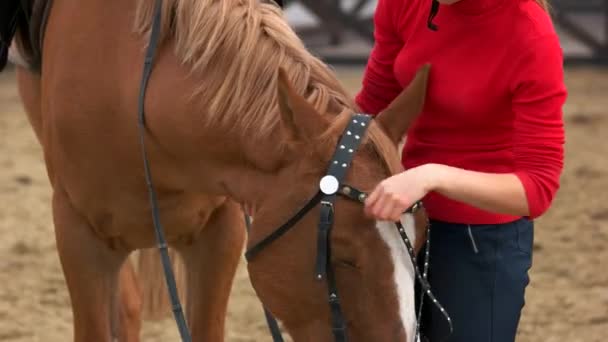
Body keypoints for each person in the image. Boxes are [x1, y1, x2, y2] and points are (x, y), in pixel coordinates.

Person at [357, 0, 566, 341]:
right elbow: (372, 106)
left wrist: (432, 176)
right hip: (400, 218)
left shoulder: (530, 37)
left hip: (481, 239)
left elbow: (537, 189)